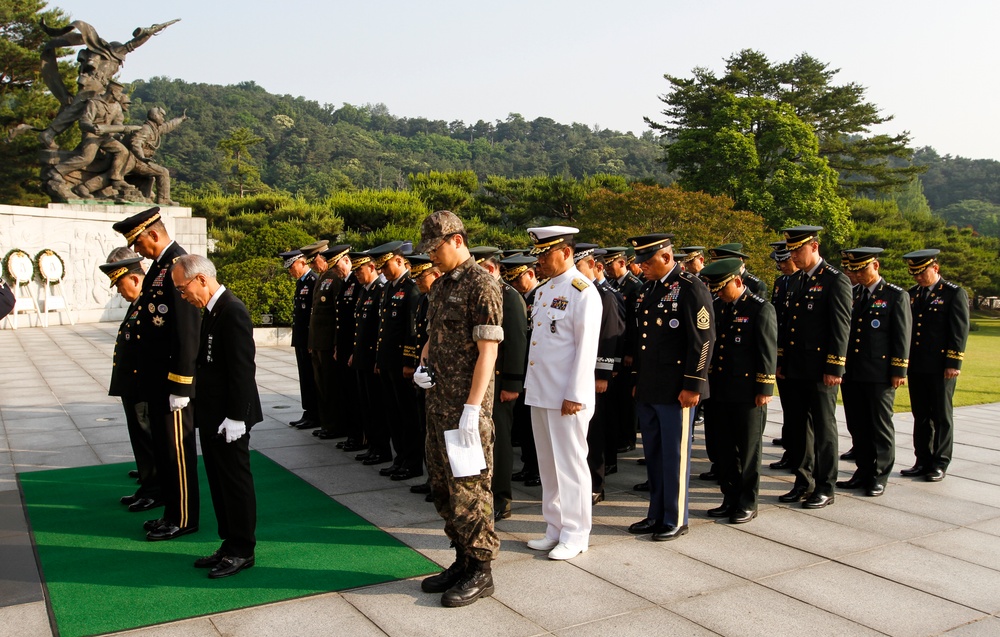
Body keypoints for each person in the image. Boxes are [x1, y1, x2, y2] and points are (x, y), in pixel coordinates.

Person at [413, 210, 503, 607]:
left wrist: (472, 408)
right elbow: (434, 336)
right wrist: (422, 363)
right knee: (442, 488)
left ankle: (481, 571)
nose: (431, 256)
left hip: (467, 413)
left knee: (470, 492)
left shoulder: (482, 284)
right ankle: (462, 559)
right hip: (439, 405)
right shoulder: (441, 286)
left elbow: (488, 352)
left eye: (435, 248)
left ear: (456, 241)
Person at [112, 207, 201, 540]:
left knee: (177, 453)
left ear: (153, 234)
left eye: (137, 242)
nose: (136, 251)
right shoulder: (161, 268)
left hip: (172, 383)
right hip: (157, 382)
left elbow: (188, 330)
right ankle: (171, 511)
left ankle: (184, 518)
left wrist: (181, 383)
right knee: (164, 451)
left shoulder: (179, 265)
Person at [172, 255, 262, 578]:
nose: (183, 296)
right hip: (213, 416)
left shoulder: (233, 311)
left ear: (201, 280)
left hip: (230, 418)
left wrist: (237, 417)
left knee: (235, 482)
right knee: (219, 481)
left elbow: (242, 369)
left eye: (183, 289)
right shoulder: (212, 310)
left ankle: (243, 549)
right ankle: (229, 542)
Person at [625, 233, 715, 541]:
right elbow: (643, 342)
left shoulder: (692, 288)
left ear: (666, 257)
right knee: (654, 454)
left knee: (674, 456)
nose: (642, 268)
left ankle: (676, 518)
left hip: (677, 391)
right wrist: (638, 379)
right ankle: (656, 514)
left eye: (647, 262)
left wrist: (693, 385)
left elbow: (703, 342)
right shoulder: (650, 288)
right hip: (651, 387)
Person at [521, 227, 603, 560]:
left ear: (566, 253)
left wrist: (575, 394)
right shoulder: (542, 292)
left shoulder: (582, 291)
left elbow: (586, 349)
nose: (539, 261)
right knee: (548, 466)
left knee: (570, 466)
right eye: (538, 254)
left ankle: (576, 532)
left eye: (545, 254)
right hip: (541, 392)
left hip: (568, 396)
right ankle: (554, 527)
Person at [776, 226, 851, 509]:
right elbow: (788, 326)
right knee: (797, 428)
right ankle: (803, 480)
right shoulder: (795, 280)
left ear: (815, 247)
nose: (794, 255)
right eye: (792, 250)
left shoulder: (835, 280)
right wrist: (781, 362)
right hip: (795, 367)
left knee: (823, 428)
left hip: (820, 369)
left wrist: (835, 367)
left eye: (798, 249)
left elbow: (840, 327)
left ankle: (825, 485)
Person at [700, 258, 776, 523]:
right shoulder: (717, 307)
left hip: (746, 392)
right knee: (723, 449)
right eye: (715, 289)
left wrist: (765, 387)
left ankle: (747, 501)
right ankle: (729, 497)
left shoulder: (760, 309)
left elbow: (766, 352)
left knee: (748, 449)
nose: (718, 293)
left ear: (738, 282)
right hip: (719, 390)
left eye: (722, 288)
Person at [837, 248, 911, 497]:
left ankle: (878, 475)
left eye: (862, 268)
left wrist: (899, 368)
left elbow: (901, 335)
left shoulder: (895, 295)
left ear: (876, 266)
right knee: (857, 424)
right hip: (854, 371)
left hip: (879, 372)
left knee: (878, 425)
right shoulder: (854, 294)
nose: (858, 273)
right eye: (854, 269)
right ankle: (863, 470)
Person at [99, 249, 160, 512]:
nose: (119, 292)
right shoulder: (138, 302)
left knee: (147, 436)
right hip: (133, 385)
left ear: (134, 279)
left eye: (120, 285)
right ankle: (148, 483)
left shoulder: (149, 302)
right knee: (140, 436)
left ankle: (154, 489)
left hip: (143, 385)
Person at [900, 249, 970, 482]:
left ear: (935, 268)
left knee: (941, 414)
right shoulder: (911, 295)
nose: (918, 278)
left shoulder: (953, 293)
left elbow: (959, 329)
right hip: (918, 365)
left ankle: (940, 462)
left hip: (941, 366)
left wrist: (954, 361)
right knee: (920, 414)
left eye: (922, 273)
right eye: (915, 274)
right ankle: (922, 459)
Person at [472, 247, 527, 521]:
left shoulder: (510, 297)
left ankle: (501, 498)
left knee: (499, 441)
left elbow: (517, 343)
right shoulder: (481, 294)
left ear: (491, 269)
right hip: (478, 380)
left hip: (499, 380)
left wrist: (512, 384)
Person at [574, 245, 625, 505]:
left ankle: (596, 484)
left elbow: (609, 336)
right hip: (577, 372)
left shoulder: (604, 295)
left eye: (579, 266)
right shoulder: (576, 291)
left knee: (595, 432)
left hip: (596, 375)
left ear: (595, 266)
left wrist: (602, 374)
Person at [370, 241, 423, 480]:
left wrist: (409, 363)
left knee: (407, 415)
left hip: (402, 363)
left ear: (400, 261)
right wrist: (380, 360)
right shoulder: (389, 288)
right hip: (388, 361)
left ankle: (412, 462)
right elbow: (384, 328)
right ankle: (399, 457)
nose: (382, 271)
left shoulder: (410, 288)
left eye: (386, 265)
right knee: (393, 412)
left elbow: (412, 330)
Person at [501, 253, 543, 488]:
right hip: (522, 371)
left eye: (517, 279)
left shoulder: (541, 295)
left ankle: (537, 468)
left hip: (534, 371)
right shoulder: (518, 297)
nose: (514, 284)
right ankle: (529, 465)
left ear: (530, 273)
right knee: (524, 425)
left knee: (534, 426)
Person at [406, 254, 442, 498]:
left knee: (437, 432)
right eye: (416, 275)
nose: (418, 280)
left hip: (439, 376)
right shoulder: (423, 299)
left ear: (435, 274)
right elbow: (417, 335)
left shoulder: (439, 299)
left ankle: (440, 483)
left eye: (422, 275)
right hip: (424, 372)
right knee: (425, 428)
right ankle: (432, 478)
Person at [351, 251, 391, 466]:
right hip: (362, 357)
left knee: (376, 406)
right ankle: (373, 446)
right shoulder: (365, 291)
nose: (357, 274)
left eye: (360, 269)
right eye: (355, 270)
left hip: (372, 358)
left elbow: (379, 330)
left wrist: (377, 358)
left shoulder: (380, 291)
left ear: (372, 268)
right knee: (366, 404)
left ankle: (382, 449)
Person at [603, 247, 643, 456]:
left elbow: (633, 324)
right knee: (615, 397)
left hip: (627, 350)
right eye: (606, 264)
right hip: (615, 347)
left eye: (611, 264)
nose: (608, 268)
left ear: (622, 263)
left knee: (627, 398)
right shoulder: (611, 285)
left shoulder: (635, 286)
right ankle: (618, 433)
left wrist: (629, 352)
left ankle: (628, 437)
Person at [308, 244, 351, 440]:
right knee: (321, 385)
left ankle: (335, 425)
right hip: (318, 341)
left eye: (315, 260)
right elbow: (315, 313)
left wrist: (336, 343)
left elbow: (337, 315)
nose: (315, 264)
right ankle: (327, 423)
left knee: (330, 386)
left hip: (327, 342)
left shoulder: (334, 279)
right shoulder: (324, 278)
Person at [768, 241, 799, 471]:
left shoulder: (803, 282)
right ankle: (790, 449)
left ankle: (800, 454)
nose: (782, 266)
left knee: (800, 412)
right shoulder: (780, 283)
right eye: (779, 262)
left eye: (785, 260)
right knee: (789, 405)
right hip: (782, 351)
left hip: (799, 354)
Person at [284, 246, 319, 429]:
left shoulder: (313, 280)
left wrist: (311, 340)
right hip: (300, 338)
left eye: (291, 267)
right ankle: (308, 411)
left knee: (311, 377)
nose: (291, 271)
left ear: (301, 262)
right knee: (304, 377)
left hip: (308, 339)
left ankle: (314, 413)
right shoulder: (301, 282)